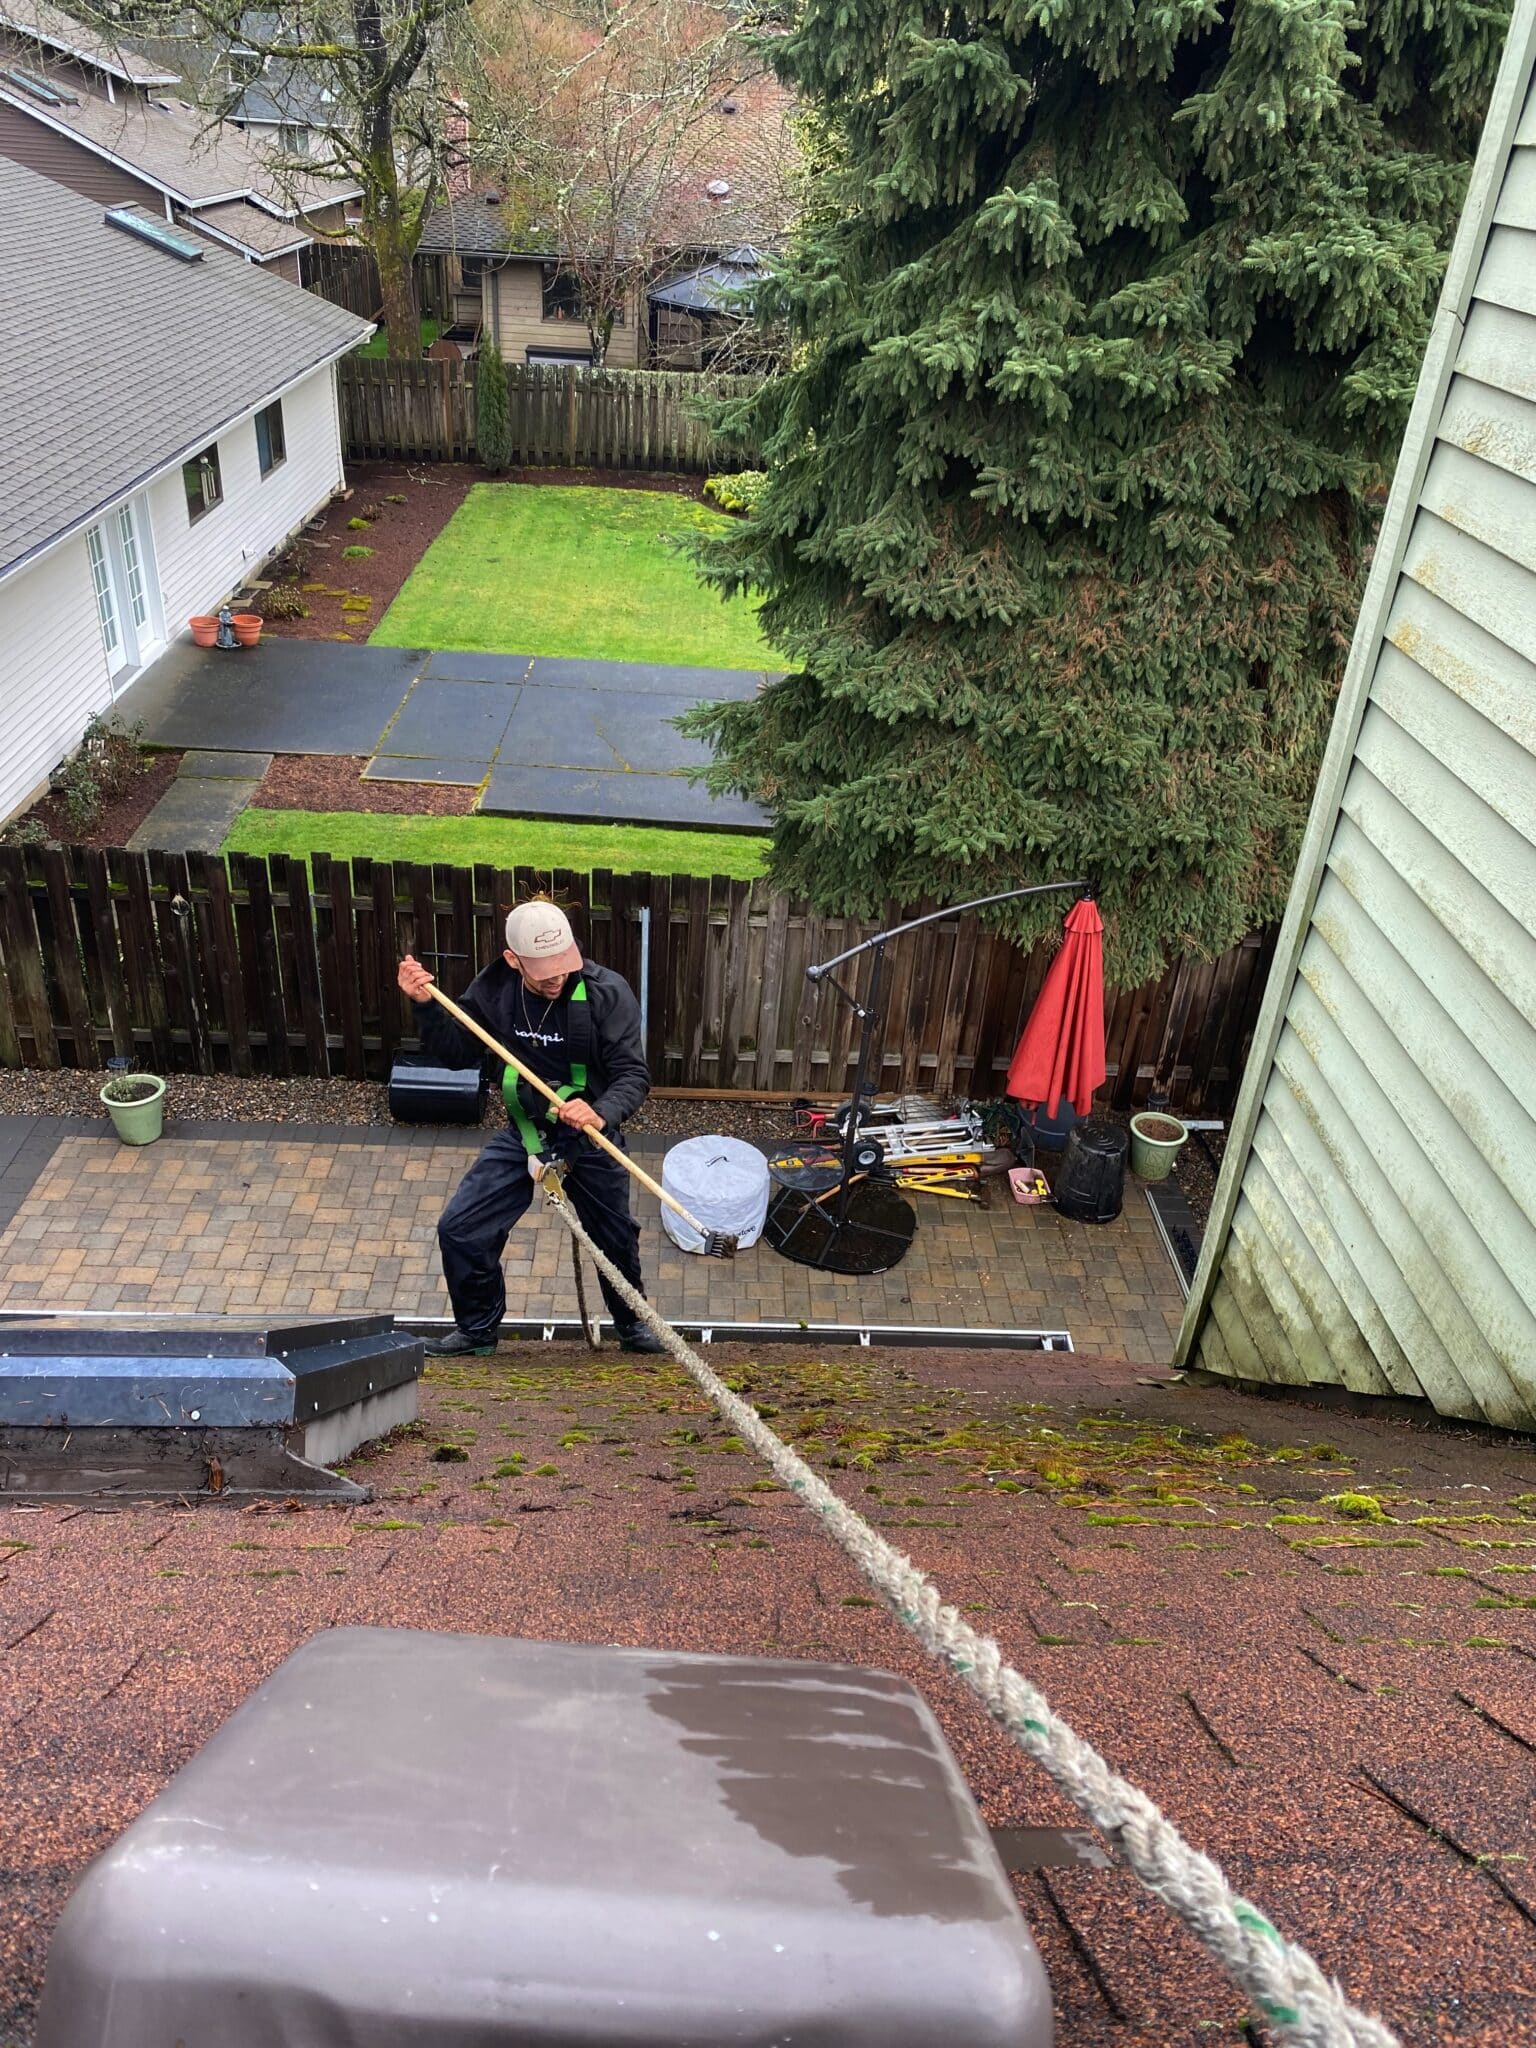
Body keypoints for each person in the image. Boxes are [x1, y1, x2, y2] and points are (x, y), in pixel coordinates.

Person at [398, 901, 664, 1357]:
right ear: (513, 960)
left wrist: (600, 1112)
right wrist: (425, 1007)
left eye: (563, 965)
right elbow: (459, 1053)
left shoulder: (606, 993)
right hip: (526, 1132)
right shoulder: (494, 990)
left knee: (615, 1236)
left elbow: (632, 1075)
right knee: (460, 1228)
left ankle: (633, 1328)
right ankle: (476, 1332)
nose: (556, 978)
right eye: (543, 971)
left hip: (590, 1137)